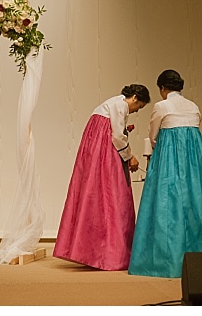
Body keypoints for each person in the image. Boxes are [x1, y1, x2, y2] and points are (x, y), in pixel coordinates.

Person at [128, 70, 202, 278]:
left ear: (163, 88)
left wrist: (159, 149)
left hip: (169, 157)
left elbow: (153, 135)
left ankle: (166, 260)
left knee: (167, 204)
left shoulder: (161, 106)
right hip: (196, 158)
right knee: (198, 201)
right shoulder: (193, 106)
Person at [53, 84, 151, 271]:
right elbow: (117, 136)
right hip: (105, 151)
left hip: (95, 149)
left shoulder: (110, 105)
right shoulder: (120, 105)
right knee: (114, 195)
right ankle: (112, 252)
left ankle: (93, 250)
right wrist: (130, 156)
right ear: (135, 98)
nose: (137, 110)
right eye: (139, 106)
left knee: (95, 194)